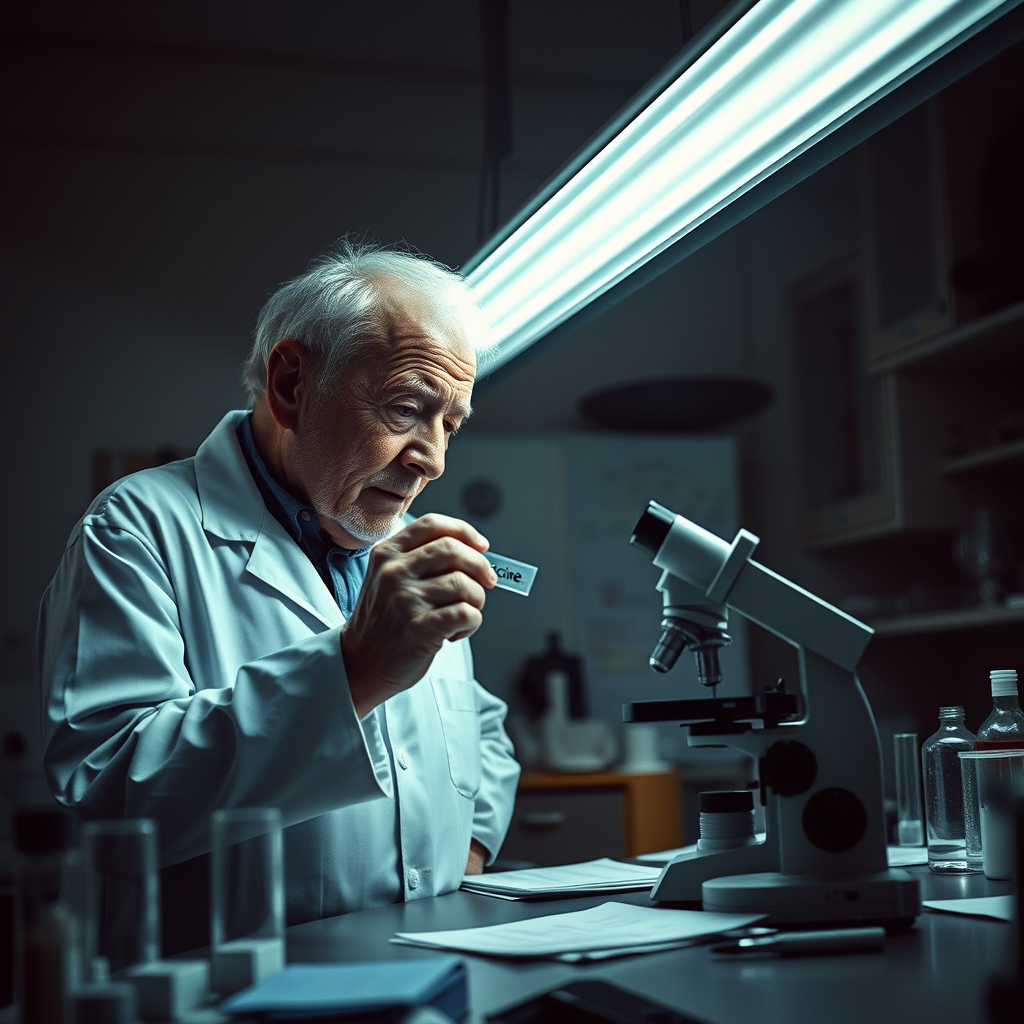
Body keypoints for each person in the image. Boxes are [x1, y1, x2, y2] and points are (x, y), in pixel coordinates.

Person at [38, 240, 520, 950]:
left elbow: (480, 729)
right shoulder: (136, 529)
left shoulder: (405, 544)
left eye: (450, 424)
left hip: (425, 967)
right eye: (407, 408)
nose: (434, 459)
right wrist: (350, 672)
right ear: (292, 384)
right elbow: (105, 795)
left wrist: (469, 848)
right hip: (229, 987)